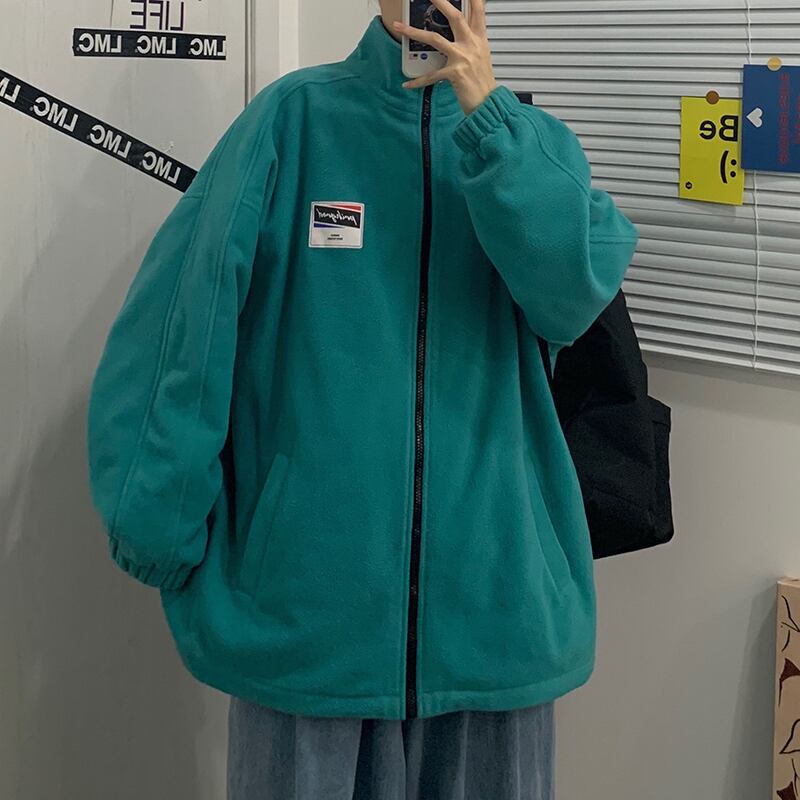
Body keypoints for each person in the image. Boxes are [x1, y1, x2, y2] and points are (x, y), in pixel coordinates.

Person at [86, 0, 640, 797]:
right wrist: (160, 521)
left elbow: (571, 295)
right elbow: (183, 326)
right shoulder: (292, 122)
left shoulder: (532, 145)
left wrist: (489, 122)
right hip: (307, 624)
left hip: (495, 618)